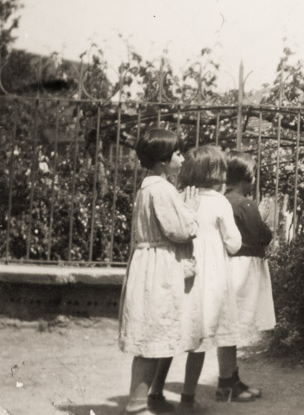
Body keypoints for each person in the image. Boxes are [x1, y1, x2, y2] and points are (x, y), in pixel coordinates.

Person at [149, 145, 242, 409]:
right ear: (217, 173)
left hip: (180, 274)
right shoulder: (219, 202)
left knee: (172, 336)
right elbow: (234, 243)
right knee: (198, 340)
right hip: (208, 281)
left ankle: (155, 393)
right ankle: (188, 398)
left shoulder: (177, 196)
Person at [118, 129, 199, 415]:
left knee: (152, 334)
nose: (181, 158)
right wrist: (191, 211)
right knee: (151, 337)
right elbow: (180, 230)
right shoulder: (162, 189)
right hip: (158, 268)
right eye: (177, 153)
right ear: (163, 161)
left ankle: (143, 401)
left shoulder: (149, 185)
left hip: (150, 263)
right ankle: (137, 404)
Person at [216, 150, 276, 398]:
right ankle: (226, 383)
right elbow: (262, 237)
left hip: (224, 268)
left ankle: (230, 379)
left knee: (227, 330)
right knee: (233, 328)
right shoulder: (245, 204)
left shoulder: (221, 201)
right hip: (242, 271)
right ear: (247, 177)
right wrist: (265, 222)